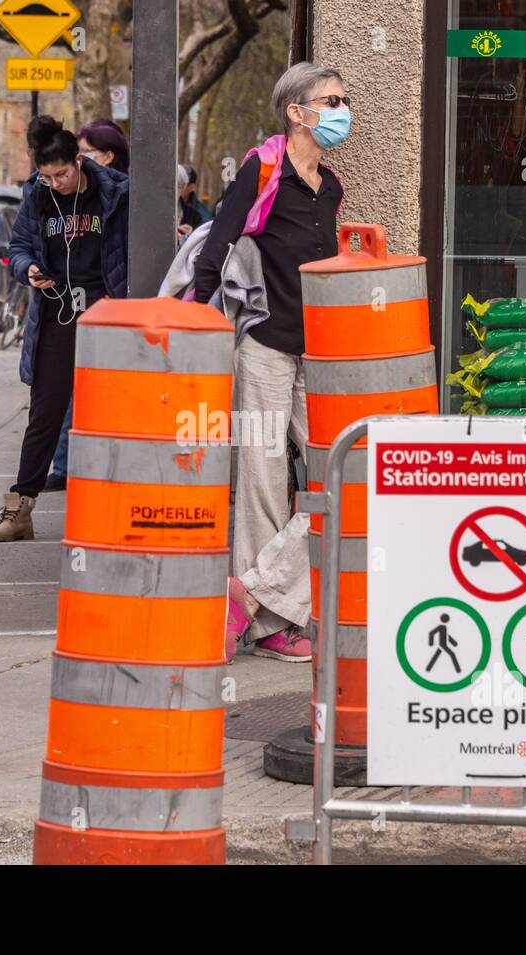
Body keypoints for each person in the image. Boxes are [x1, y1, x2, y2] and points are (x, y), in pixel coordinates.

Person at [197, 62, 349, 663]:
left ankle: (250, 596)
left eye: (343, 99)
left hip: (322, 352)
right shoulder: (261, 171)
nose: (342, 109)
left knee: (334, 480)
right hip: (264, 346)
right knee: (262, 483)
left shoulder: (331, 187)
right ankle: (272, 628)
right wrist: (191, 324)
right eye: (331, 100)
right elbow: (217, 251)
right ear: (297, 112)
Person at [0, 115, 129, 542]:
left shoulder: (115, 192)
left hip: (106, 315)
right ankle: (20, 509)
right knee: (45, 414)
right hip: (56, 313)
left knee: (107, 414)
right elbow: (19, 246)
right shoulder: (38, 195)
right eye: (47, 177)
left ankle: (114, 507)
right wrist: (27, 269)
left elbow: (132, 249)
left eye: (62, 174)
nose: (56, 183)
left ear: (79, 161)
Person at [41, 120, 131, 493]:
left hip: (106, 302)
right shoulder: (53, 194)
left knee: (98, 387)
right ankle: (64, 462)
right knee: (70, 385)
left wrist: (117, 295)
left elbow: (125, 252)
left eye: (87, 153)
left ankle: (83, 462)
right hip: (67, 302)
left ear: (107, 156)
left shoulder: (121, 194)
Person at [179, 163, 212, 232]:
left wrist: (191, 234)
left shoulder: (202, 216)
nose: (176, 187)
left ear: (192, 187)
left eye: (181, 184)